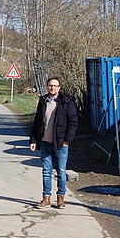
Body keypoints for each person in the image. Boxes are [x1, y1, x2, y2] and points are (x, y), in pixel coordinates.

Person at [29, 77, 78, 209]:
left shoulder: (66, 102)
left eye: (55, 86)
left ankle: (60, 198)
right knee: (46, 171)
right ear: (47, 87)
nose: (52, 88)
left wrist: (67, 140)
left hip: (61, 143)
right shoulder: (43, 101)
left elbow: (73, 123)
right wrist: (33, 139)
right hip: (45, 142)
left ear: (59, 87)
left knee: (61, 171)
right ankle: (46, 198)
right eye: (50, 85)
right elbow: (37, 122)